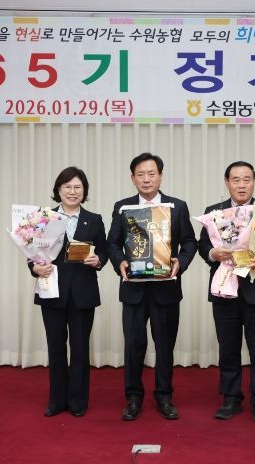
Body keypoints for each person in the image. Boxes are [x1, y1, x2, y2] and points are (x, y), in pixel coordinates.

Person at [107, 152, 197, 421]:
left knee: (165, 346)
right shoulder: (123, 207)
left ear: (160, 176)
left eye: (151, 174)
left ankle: (164, 396)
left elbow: (190, 242)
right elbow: (113, 243)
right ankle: (133, 397)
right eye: (140, 174)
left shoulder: (177, 206)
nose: (146, 179)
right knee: (134, 345)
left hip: (166, 289)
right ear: (132, 178)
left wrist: (181, 262)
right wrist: (120, 262)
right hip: (133, 289)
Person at [198, 161, 255, 423]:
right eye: (235, 180)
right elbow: (203, 246)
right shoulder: (214, 212)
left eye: (246, 179)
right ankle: (231, 398)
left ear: (254, 181)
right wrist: (213, 253)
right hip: (225, 289)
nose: (241, 185)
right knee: (228, 348)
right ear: (226, 182)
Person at [29, 166, 108, 417]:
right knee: (55, 348)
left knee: (80, 349)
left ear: (84, 191)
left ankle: (77, 401)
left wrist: (98, 260)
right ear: (58, 190)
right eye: (67, 187)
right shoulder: (44, 218)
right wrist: (34, 268)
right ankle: (56, 400)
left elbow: (104, 250)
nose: (72, 191)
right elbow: (32, 252)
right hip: (51, 291)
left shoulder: (94, 219)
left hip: (83, 293)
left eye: (77, 187)